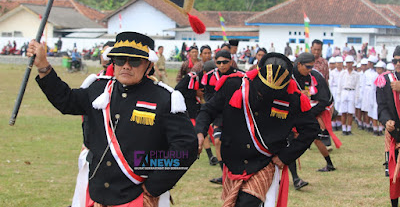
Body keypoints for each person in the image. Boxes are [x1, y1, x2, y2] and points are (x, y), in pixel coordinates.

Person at [27, 31, 198, 207]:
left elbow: (186, 146)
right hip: (95, 193)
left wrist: (155, 184)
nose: (126, 66)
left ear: (148, 64)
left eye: (134, 61)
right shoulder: (98, 88)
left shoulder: (165, 98)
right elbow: (65, 101)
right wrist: (43, 66)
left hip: (138, 196)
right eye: (119, 60)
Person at [195, 52, 319, 206]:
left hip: (264, 162)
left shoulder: (293, 97)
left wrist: (285, 156)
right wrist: (200, 132)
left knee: (247, 203)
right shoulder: (235, 85)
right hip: (234, 160)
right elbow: (208, 110)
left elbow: (311, 129)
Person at [201, 50, 244, 184]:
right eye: (218, 62)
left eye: (225, 62)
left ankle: (239, 172)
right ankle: (224, 175)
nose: (222, 65)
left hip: (237, 114)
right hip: (219, 114)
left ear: (231, 62)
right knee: (218, 141)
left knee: (237, 144)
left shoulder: (240, 75)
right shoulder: (209, 77)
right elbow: (207, 96)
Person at [292, 53, 338, 172]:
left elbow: (326, 100)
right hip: (297, 111)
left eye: (312, 67)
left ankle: (329, 164)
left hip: (316, 109)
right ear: (299, 64)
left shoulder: (316, 76)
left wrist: (310, 114)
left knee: (315, 138)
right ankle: (293, 175)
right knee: (294, 138)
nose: (310, 70)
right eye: (308, 67)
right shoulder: (291, 75)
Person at [376, 46, 400, 207]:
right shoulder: (385, 80)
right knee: (395, 176)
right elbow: (381, 106)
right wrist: (386, 121)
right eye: (395, 61)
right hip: (395, 133)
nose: (397, 64)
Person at [338, 56, 359, 135]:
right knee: (343, 111)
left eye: (350, 63)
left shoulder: (356, 74)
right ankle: (344, 129)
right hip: (344, 91)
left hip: (352, 92)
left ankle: (349, 129)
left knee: (350, 112)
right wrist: (339, 95)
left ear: (353, 63)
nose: (349, 64)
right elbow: (339, 85)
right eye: (347, 63)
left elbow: (357, 86)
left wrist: (357, 97)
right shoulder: (342, 73)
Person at [361, 55, 379, 134]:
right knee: (366, 109)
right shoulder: (366, 73)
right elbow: (363, 83)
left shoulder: (376, 73)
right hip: (367, 91)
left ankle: (372, 125)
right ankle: (367, 124)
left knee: (373, 109)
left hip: (374, 91)